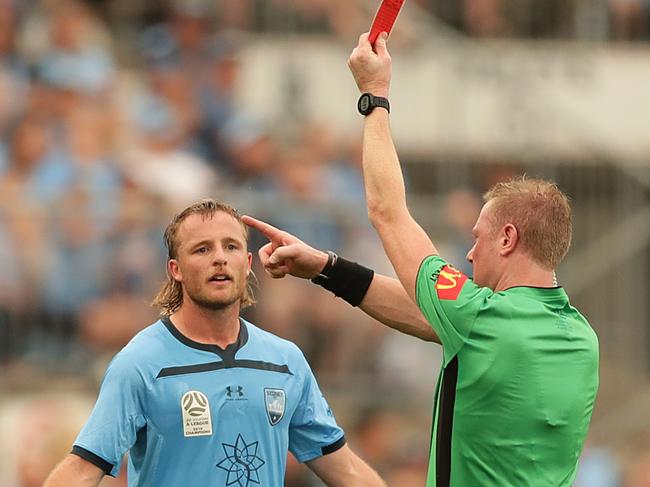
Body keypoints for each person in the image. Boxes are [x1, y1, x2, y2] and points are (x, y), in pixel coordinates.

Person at [240, 32, 599, 487]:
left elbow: (387, 214)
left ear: (507, 238)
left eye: (478, 237)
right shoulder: (580, 337)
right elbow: (424, 314)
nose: (469, 253)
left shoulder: (481, 319)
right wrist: (326, 268)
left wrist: (375, 95)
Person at [43, 199, 385, 487]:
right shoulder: (140, 363)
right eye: (202, 249)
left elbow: (347, 471)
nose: (219, 258)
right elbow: (83, 469)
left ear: (248, 264)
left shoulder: (285, 361)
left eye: (231, 246)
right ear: (175, 269)